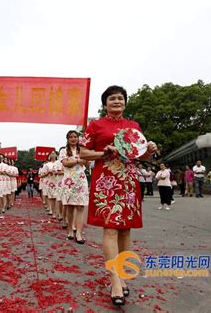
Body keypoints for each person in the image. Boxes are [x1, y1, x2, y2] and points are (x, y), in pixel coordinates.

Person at [79, 86, 156, 307]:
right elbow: (83, 152)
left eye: (120, 98)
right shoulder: (95, 126)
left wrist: (149, 149)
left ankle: (122, 274)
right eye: (112, 98)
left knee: (125, 229)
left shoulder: (133, 127)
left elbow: (140, 154)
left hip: (129, 181)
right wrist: (104, 152)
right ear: (105, 104)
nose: (116, 101)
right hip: (106, 180)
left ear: (125, 102)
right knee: (110, 228)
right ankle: (114, 279)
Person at [60, 130, 89, 244]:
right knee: (71, 207)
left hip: (81, 180)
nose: (73, 139)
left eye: (75, 137)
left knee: (80, 206)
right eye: (71, 137)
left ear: (78, 138)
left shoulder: (83, 150)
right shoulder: (63, 151)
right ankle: (70, 230)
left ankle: (79, 233)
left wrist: (74, 160)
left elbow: (87, 163)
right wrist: (78, 160)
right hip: (69, 181)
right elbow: (65, 163)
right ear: (67, 139)